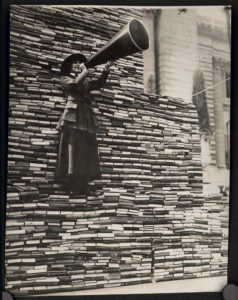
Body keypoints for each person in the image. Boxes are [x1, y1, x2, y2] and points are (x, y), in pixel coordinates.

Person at [55, 53, 113, 194]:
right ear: (69, 66)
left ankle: (84, 186)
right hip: (71, 119)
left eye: (79, 62)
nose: (77, 64)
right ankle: (72, 186)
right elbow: (74, 85)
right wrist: (85, 72)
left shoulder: (85, 81)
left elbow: (98, 84)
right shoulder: (65, 79)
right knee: (72, 152)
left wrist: (106, 69)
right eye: (74, 62)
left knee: (85, 152)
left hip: (85, 119)